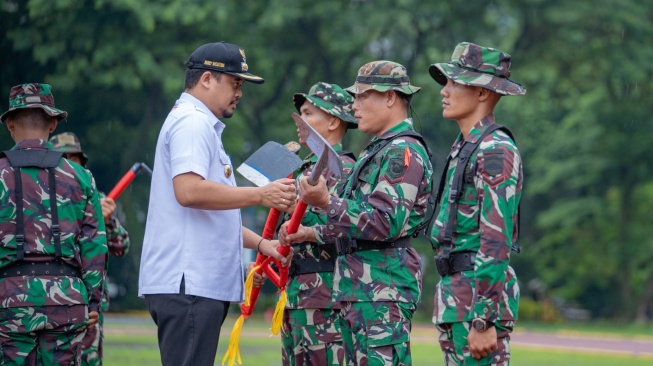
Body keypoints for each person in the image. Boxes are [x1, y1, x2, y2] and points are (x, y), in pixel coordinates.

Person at [138, 41, 296, 366]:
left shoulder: (200, 124)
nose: (239, 92)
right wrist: (261, 195)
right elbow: (190, 192)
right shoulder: (193, 123)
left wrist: (263, 244)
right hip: (189, 283)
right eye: (235, 82)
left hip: (193, 285)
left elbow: (215, 216)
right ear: (208, 79)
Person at [279, 61, 433, 366]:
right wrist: (312, 231)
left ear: (390, 97)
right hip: (358, 293)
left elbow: (385, 221)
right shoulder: (377, 151)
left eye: (363, 96)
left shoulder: (402, 151)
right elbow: (354, 220)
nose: (354, 104)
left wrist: (326, 202)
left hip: (381, 294)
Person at [427, 42, 525, 365]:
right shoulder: (468, 146)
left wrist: (483, 319)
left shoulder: (494, 150)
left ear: (483, 93)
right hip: (459, 301)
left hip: (475, 308)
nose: (445, 90)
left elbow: (496, 241)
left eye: (455, 82)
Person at [0, 83, 107, 365]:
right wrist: (93, 301)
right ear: (52, 123)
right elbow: (95, 246)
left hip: (9, 299)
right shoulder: (81, 177)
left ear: (10, 123)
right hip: (67, 300)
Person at [277, 81, 358, 366]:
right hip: (297, 294)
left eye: (309, 113)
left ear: (334, 121)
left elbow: (349, 225)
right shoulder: (302, 168)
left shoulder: (345, 170)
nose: (301, 120)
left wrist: (305, 227)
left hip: (327, 297)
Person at [50, 131, 131, 366]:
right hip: (51, 296)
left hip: (88, 305)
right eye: (63, 157)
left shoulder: (95, 197)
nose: (69, 163)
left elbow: (121, 246)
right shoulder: (41, 196)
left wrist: (108, 221)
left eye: (73, 158)